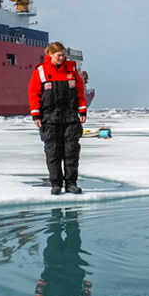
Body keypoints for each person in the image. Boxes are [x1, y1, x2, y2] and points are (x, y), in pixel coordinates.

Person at [29, 42, 87, 195]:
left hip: (70, 117)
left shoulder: (72, 70)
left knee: (71, 152)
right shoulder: (40, 71)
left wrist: (82, 111)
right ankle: (56, 183)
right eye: (58, 55)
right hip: (49, 118)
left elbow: (80, 92)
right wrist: (36, 115)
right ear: (50, 55)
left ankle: (71, 183)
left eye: (63, 55)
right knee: (53, 152)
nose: (62, 58)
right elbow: (33, 94)